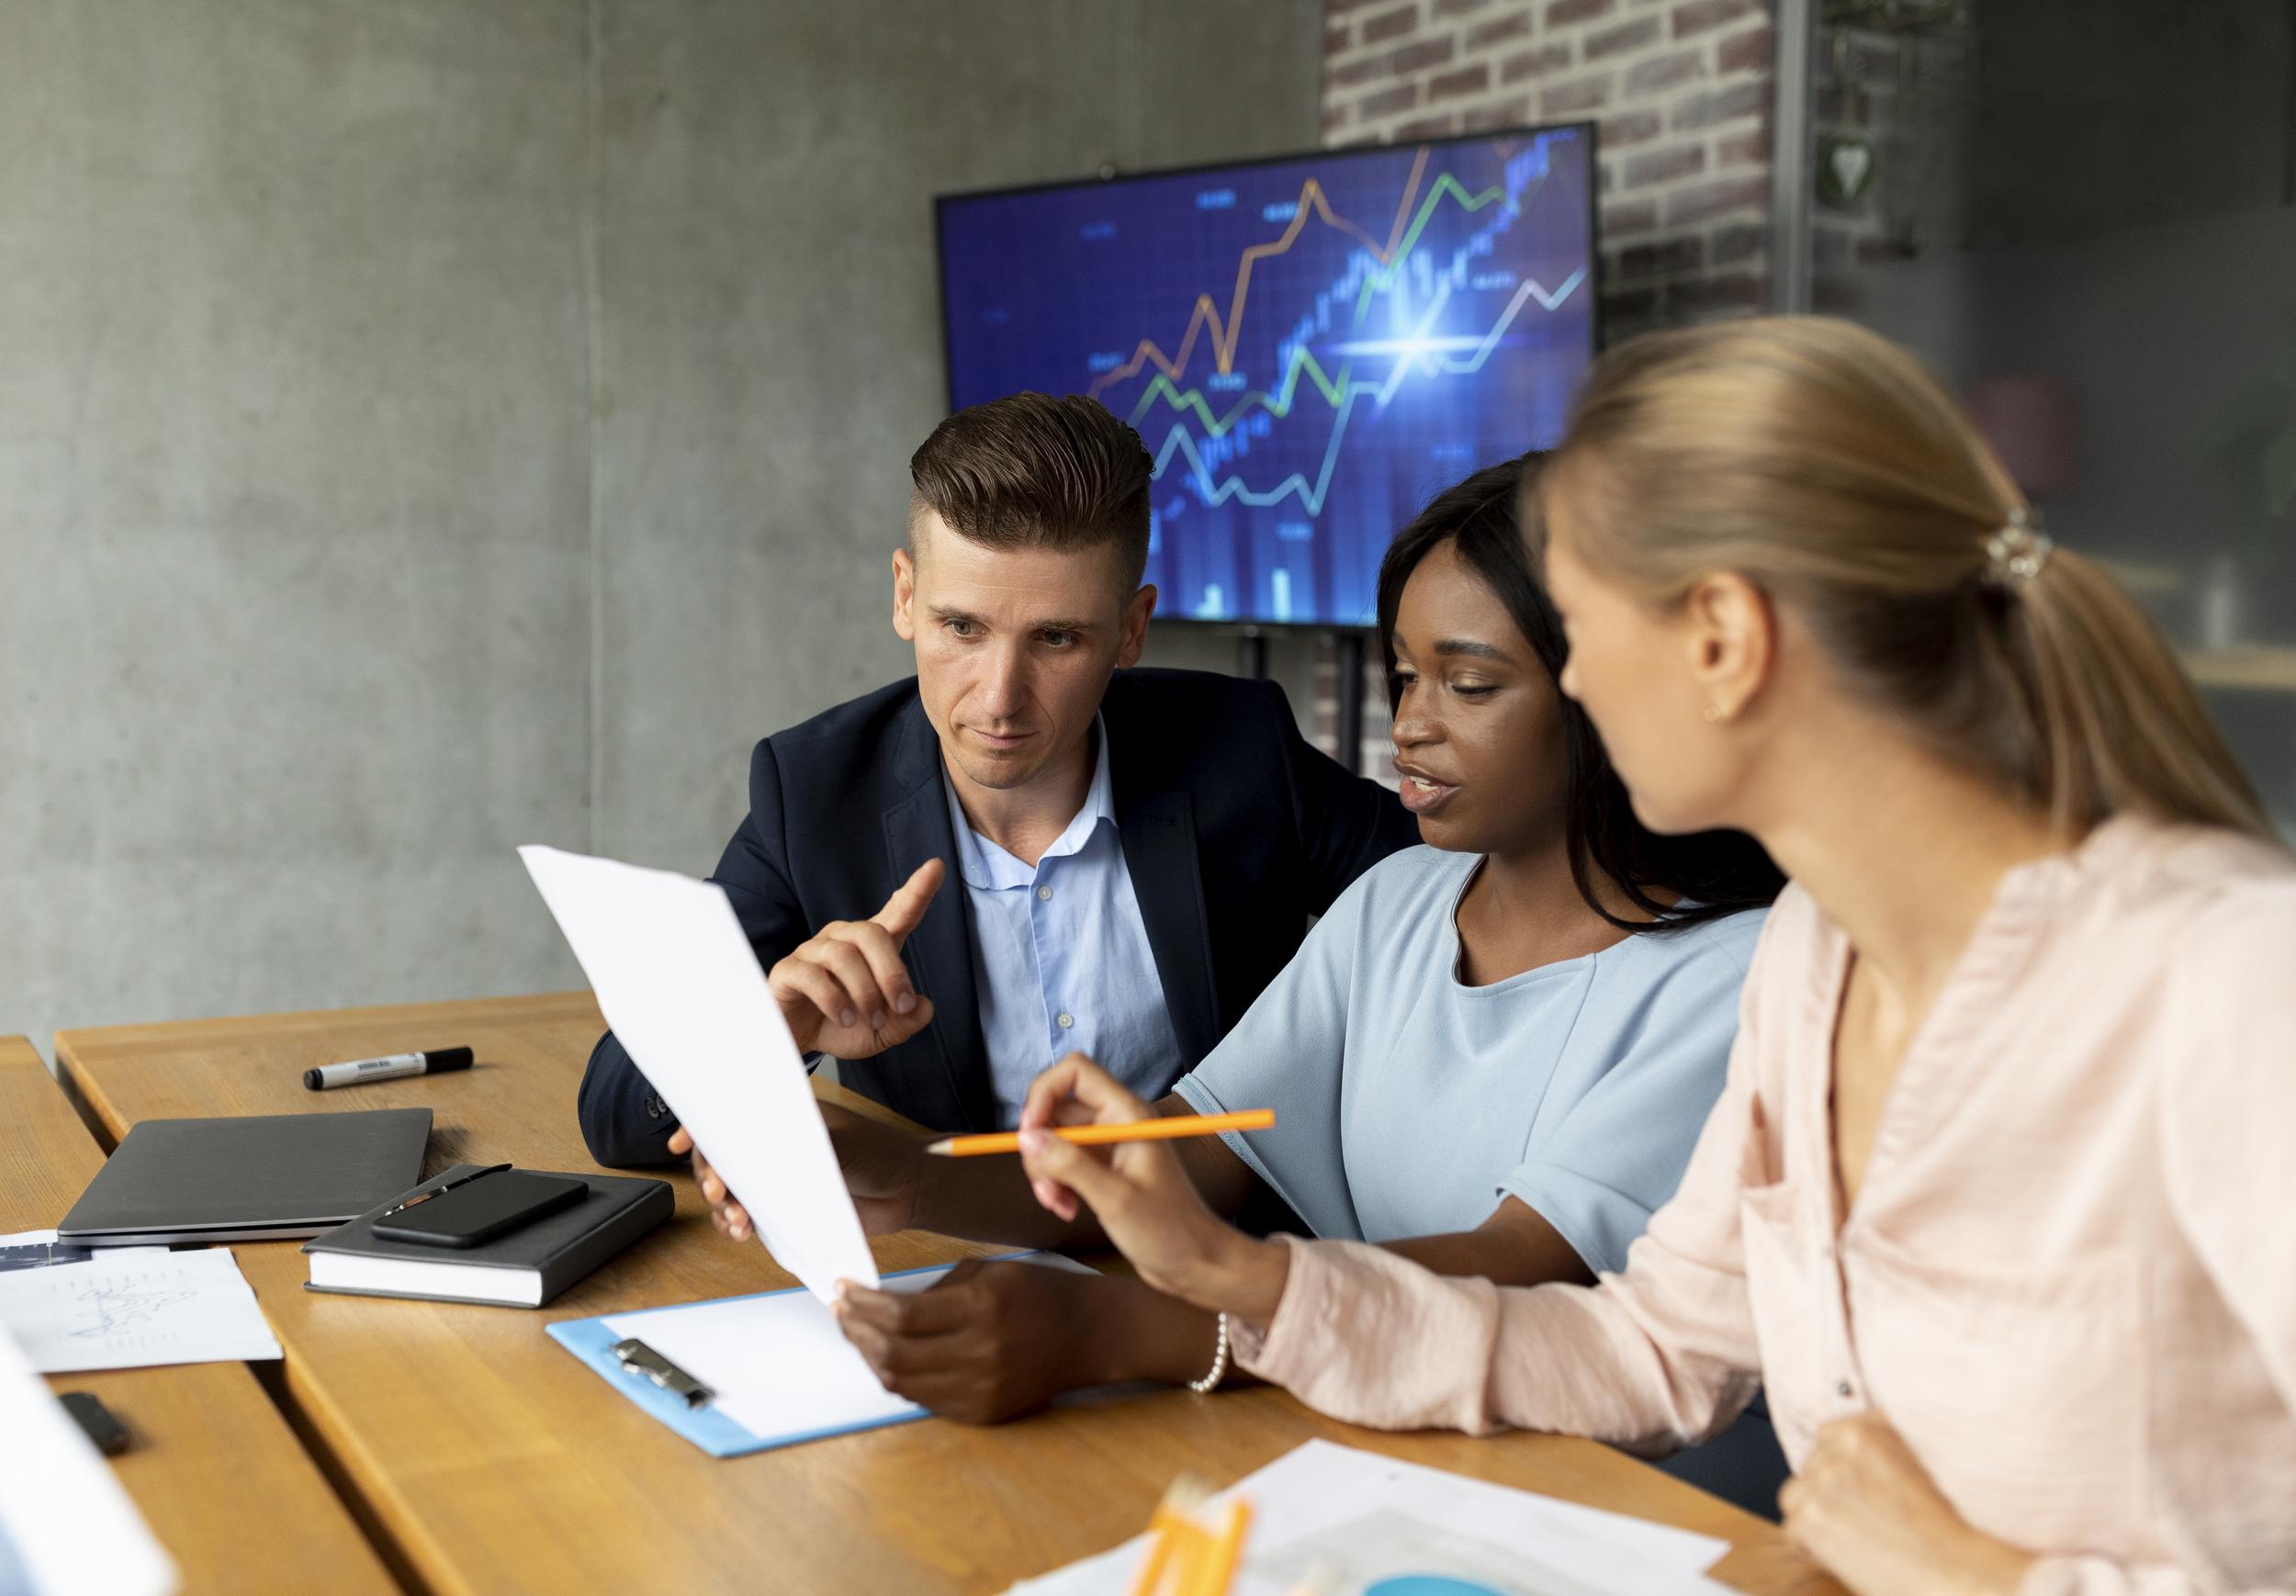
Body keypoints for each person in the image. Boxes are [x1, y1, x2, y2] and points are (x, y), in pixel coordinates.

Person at [1000, 319, 2296, 1594]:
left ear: (1723, 638)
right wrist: (1247, 1280)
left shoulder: (2227, 981)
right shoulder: (1816, 961)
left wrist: (1967, 1575)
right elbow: (1653, 1347)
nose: (1582, 683)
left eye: (1580, 625)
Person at [736, 460, 1784, 1441]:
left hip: (1549, 1473)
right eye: (1405, 676)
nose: (1409, 727)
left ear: (1617, 698)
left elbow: (1514, 1270)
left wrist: (1117, 1330)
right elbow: (1182, 1151)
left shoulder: (1735, 978)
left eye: (1465, 686)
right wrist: (890, 1170)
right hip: (1325, 1428)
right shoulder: (1397, 901)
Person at [577, 392, 1415, 1163]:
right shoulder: (816, 791)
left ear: (1131, 631)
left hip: (1194, 1259)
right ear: (905, 596)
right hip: (953, 1264)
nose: (999, 698)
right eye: (962, 627)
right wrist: (766, 1033)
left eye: (1056, 639)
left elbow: (1464, 897)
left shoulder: (1240, 749)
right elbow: (615, 1111)